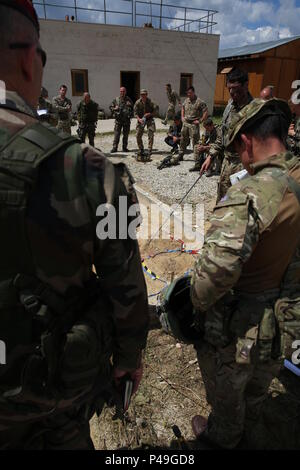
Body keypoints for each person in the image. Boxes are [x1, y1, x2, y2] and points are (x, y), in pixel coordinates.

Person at [0, 0, 149, 450]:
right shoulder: (95, 172)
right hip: (51, 399)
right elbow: (126, 284)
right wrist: (128, 358)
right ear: (30, 59)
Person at [190, 98, 300, 449]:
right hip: (287, 320)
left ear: (247, 141)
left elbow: (207, 285)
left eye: (239, 150)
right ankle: (251, 422)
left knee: (228, 398)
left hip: (242, 330)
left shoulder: (249, 194)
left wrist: (185, 298)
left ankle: (223, 437)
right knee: (257, 390)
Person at [201, 68, 253, 203]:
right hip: (227, 162)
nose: (231, 92)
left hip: (244, 167)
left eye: (235, 88)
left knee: (239, 203)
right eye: (229, 88)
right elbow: (222, 136)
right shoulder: (229, 106)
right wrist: (211, 156)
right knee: (223, 199)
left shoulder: (254, 110)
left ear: (246, 85)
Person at [173, 86, 208, 166]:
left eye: (190, 93)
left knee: (195, 142)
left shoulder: (199, 102)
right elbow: (183, 108)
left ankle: (196, 159)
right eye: (187, 93)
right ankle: (181, 155)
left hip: (194, 124)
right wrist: (182, 117)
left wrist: (200, 121)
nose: (188, 94)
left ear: (193, 92)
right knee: (183, 139)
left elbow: (205, 112)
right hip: (186, 123)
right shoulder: (186, 100)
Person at [134, 89, 157, 158]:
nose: (143, 96)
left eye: (144, 94)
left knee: (151, 134)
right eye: (141, 94)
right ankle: (141, 149)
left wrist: (150, 114)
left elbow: (156, 110)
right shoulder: (138, 102)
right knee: (138, 135)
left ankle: (149, 149)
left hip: (149, 119)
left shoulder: (151, 102)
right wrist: (139, 119)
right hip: (141, 119)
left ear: (147, 95)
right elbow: (135, 113)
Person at [110, 87, 133, 153]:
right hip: (118, 121)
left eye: (123, 91)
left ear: (125, 92)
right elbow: (110, 107)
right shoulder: (116, 100)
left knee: (125, 135)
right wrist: (114, 108)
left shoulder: (129, 99)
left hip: (126, 121)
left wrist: (130, 105)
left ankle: (124, 147)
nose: (122, 92)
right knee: (117, 134)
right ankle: (115, 147)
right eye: (121, 91)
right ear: (120, 92)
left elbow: (133, 109)